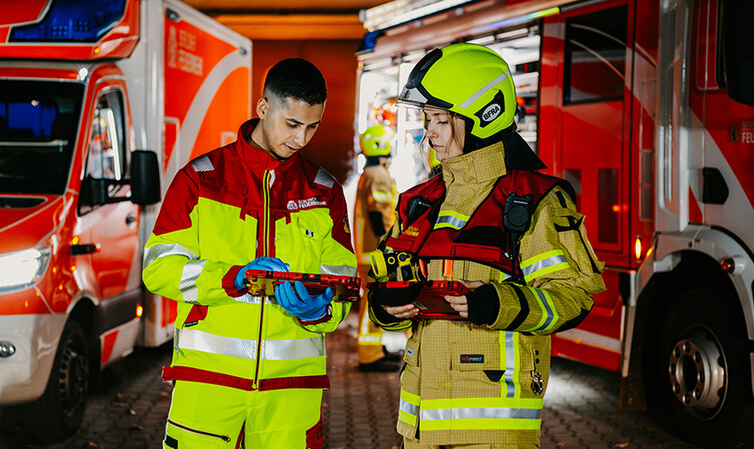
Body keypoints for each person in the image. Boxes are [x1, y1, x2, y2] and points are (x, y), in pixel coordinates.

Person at [367, 43, 606, 448]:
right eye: (427, 119)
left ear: (484, 116)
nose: (430, 132)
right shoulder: (418, 202)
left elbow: (573, 297)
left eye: (441, 119)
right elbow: (386, 286)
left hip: (493, 430)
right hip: (419, 429)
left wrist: (497, 303)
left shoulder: (535, 200)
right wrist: (386, 305)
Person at [143, 58, 356, 449]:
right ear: (263, 108)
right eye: (292, 124)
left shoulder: (325, 192)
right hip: (209, 388)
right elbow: (159, 268)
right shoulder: (200, 179)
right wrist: (233, 278)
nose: (301, 139)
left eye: (312, 127)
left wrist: (320, 310)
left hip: (291, 395)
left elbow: (344, 283)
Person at [353, 124, 402, 372]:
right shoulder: (378, 175)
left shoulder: (370, 173)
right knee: (371, 302)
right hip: (375, 254)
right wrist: (390, 245)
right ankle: (369, 355)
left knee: (373, 301)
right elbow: (380, 215)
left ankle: (375, 349)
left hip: (368, 252)